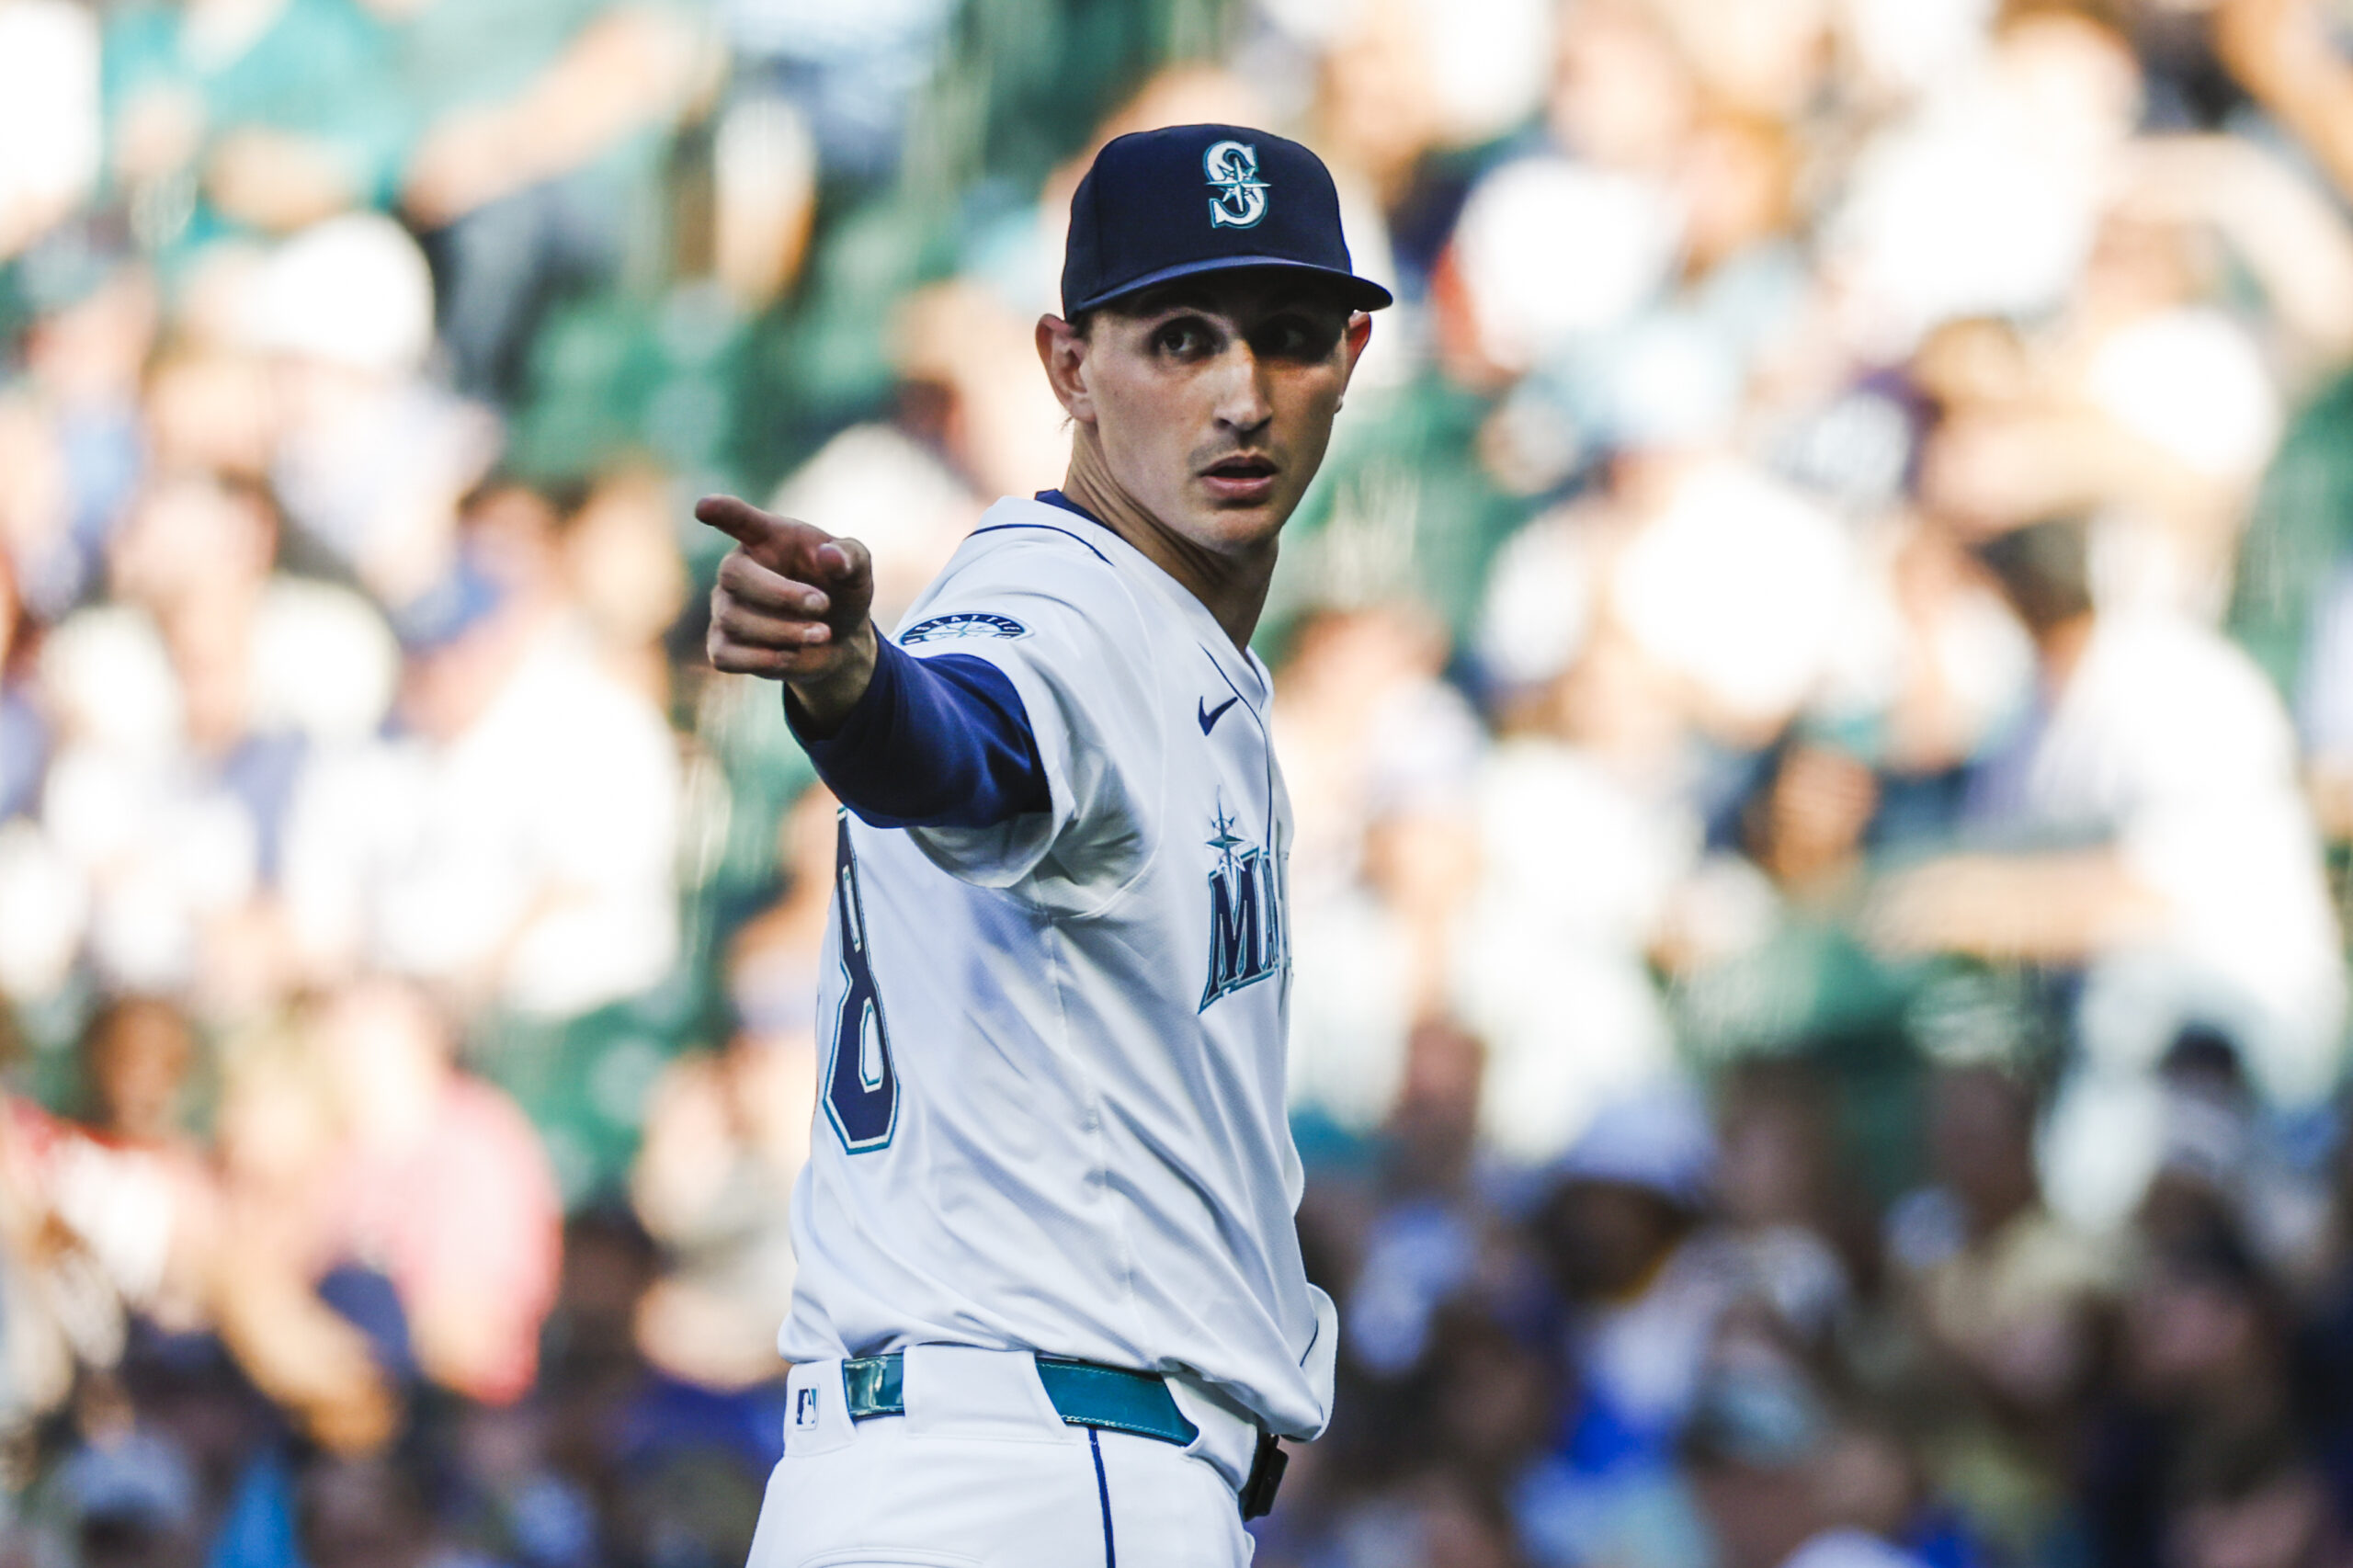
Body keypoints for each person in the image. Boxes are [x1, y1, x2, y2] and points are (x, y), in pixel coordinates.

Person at [699, 124, 1389, 1564]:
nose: (1242, 395)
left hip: (888, 1481)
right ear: (1068, 366)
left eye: (1289, 337)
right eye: (1180, 338)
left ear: (1353, 358)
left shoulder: (1144, 624)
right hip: (1053, 1475)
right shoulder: (1071, 610)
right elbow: (960, 747)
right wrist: (845, 683)